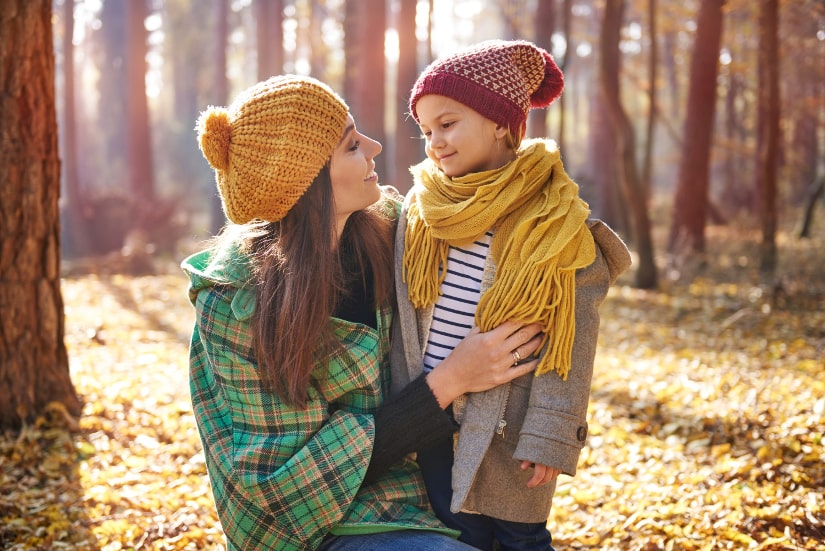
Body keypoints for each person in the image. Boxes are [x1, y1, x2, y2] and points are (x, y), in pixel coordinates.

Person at [181, 74, 546, 550]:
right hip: (316, 529)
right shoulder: (235, 305)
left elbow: (490, 206)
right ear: (309, 184)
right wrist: (452, 379)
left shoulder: (395, 234)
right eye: (352, 145)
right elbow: (280, 490)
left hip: (422, 493)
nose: (374, 146)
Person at [390, 40, 632, 550]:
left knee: (518, 536)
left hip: (510, 422)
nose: (434, 142)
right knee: (458, 533)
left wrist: (550, 434)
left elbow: (574, 342)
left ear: (500, 121)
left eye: (448, 124)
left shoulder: (553, 220)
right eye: (427, 130)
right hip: (433, 408)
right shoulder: (423, 206)